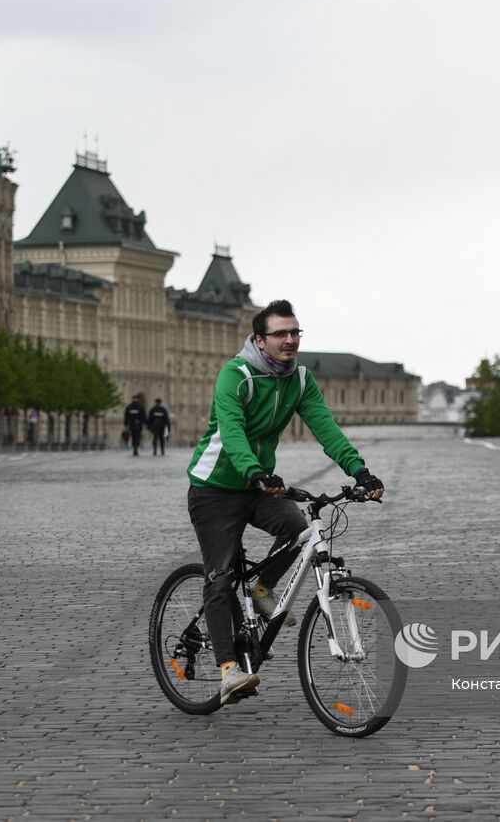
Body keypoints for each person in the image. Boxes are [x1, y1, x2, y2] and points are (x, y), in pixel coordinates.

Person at [187, 299, 385, 705]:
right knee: (220, 576)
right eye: (281, 334)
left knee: (298, 529)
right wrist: (254, 471)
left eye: (295, 333)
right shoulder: (235, 375)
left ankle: (262, 588)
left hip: (259, 485)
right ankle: (228, 670)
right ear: (260, 340)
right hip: (216, 487)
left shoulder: (299, 380)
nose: (290, 340)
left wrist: (359, 471)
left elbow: (325, 427)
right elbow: (233, 431)